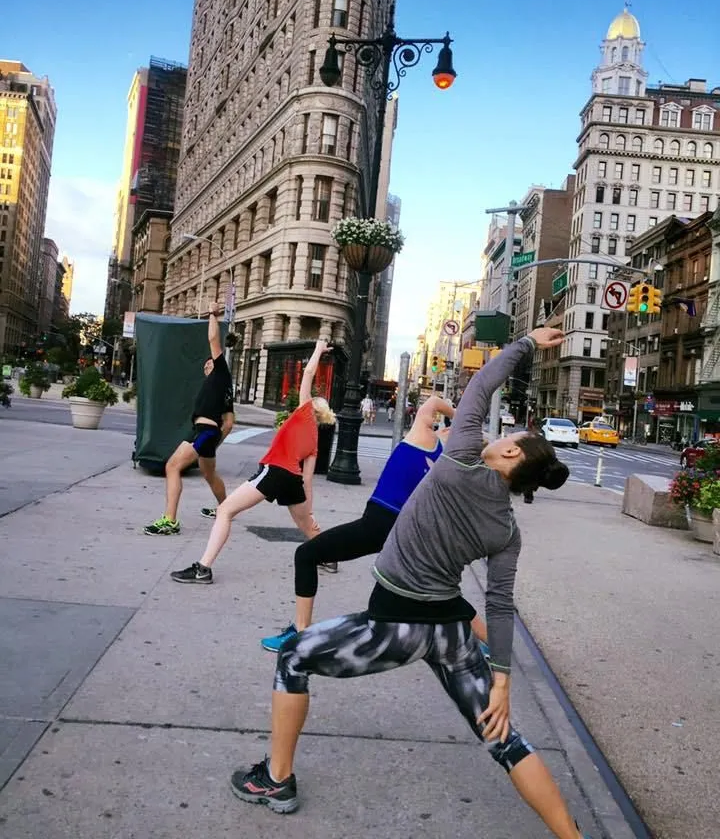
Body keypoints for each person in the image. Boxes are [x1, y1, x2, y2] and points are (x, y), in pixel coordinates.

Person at [229, 329, 591, 839]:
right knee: (503, 738)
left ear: (511, 458)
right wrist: (503, 682)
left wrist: (527, 342)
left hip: (396, 625)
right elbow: (500, 604)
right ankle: (572, 837)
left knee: (293, 657)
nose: (497, 436)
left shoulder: (463, 456)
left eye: (507, 438)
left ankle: (276, 779)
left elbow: (482, 384)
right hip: (451, 634)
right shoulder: (506, 529)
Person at [259, 395, 489, 653]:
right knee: (438, 592)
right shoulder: (449, 464)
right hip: (408, 533)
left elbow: (434, 401)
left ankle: (301, 636)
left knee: (306, 554)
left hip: (379, 522)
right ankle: (490, 643)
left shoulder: (425, 438)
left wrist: (459, 416)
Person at [170, 339, 335, 584]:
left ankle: (203, 568)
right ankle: (329, 557)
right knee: (306, 524)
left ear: (312, 406)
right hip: (293, 480)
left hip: (274, 471)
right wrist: (308, 509)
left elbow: (309, 372)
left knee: (225, 510)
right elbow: (307, 479)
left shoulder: (304, 410)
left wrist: (319, 350)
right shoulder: (314, 441)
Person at [144, 303, 235, 537]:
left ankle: (170, 520)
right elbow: (229, 422)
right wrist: (214, 442)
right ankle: (226, 508)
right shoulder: (221, 387)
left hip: (204, 431)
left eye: (209, 362)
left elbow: (214, 338)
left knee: (172, 466)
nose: (206, 365)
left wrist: (212, 314)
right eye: (205, 364)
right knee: (209, 474)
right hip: (207, 433)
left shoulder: (220, 373)